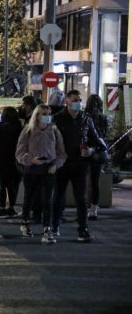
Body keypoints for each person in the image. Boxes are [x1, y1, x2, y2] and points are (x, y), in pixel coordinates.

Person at [52, 90, 106, 242]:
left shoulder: (86, 119)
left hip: (80, 165)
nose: (78, 102)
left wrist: (91, 150)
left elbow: (98, 141)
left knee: (81, 199)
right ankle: (54, 226)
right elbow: (50, 140)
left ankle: (83, 230)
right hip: (62, 164)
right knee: (58, 197)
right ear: (67, 102)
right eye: (75, 99)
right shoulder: (58, 119)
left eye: (80, 99)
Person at [15, 105, 67, 244]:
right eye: (44, 113)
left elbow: (61, 153)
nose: (47, 115)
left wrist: (56, 165)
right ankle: (25, 222)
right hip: (32, 169)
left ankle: (47, 229)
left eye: (49, 113)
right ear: (37, 115)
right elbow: (19, 152)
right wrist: (30, 160)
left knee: (47, 201)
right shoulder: (28, 130)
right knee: (29, 199)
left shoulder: (54, 130)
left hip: (48, 169)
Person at [0, 107, 23, 217]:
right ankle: (11, 207)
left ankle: (2, 207)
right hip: (15, 159)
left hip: (1, 159)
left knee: (2, 184)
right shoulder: (19, 128)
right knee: (14, 185)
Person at [84, 94, 109, 220]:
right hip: (98, 152)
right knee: (95, 181)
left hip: (86, 151)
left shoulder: (84, 116)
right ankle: (93, 210)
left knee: (82, 181)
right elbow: (104, 135)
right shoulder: (103, 117)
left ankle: (83, 209)